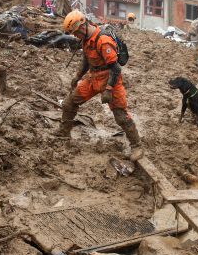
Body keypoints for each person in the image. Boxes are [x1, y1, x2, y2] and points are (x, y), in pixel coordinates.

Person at [56, 10, 143, 160]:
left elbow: (116, 68)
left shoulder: (103, 40)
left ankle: (137, 146)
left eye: (76, 33)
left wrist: (109, 89)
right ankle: (63, 134)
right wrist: (77, 76)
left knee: (120, 115)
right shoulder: (86, 39)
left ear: (82, 27)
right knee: (69, 103)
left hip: (110, 78)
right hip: (93, 76)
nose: (76, 36)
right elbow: (86, 59)